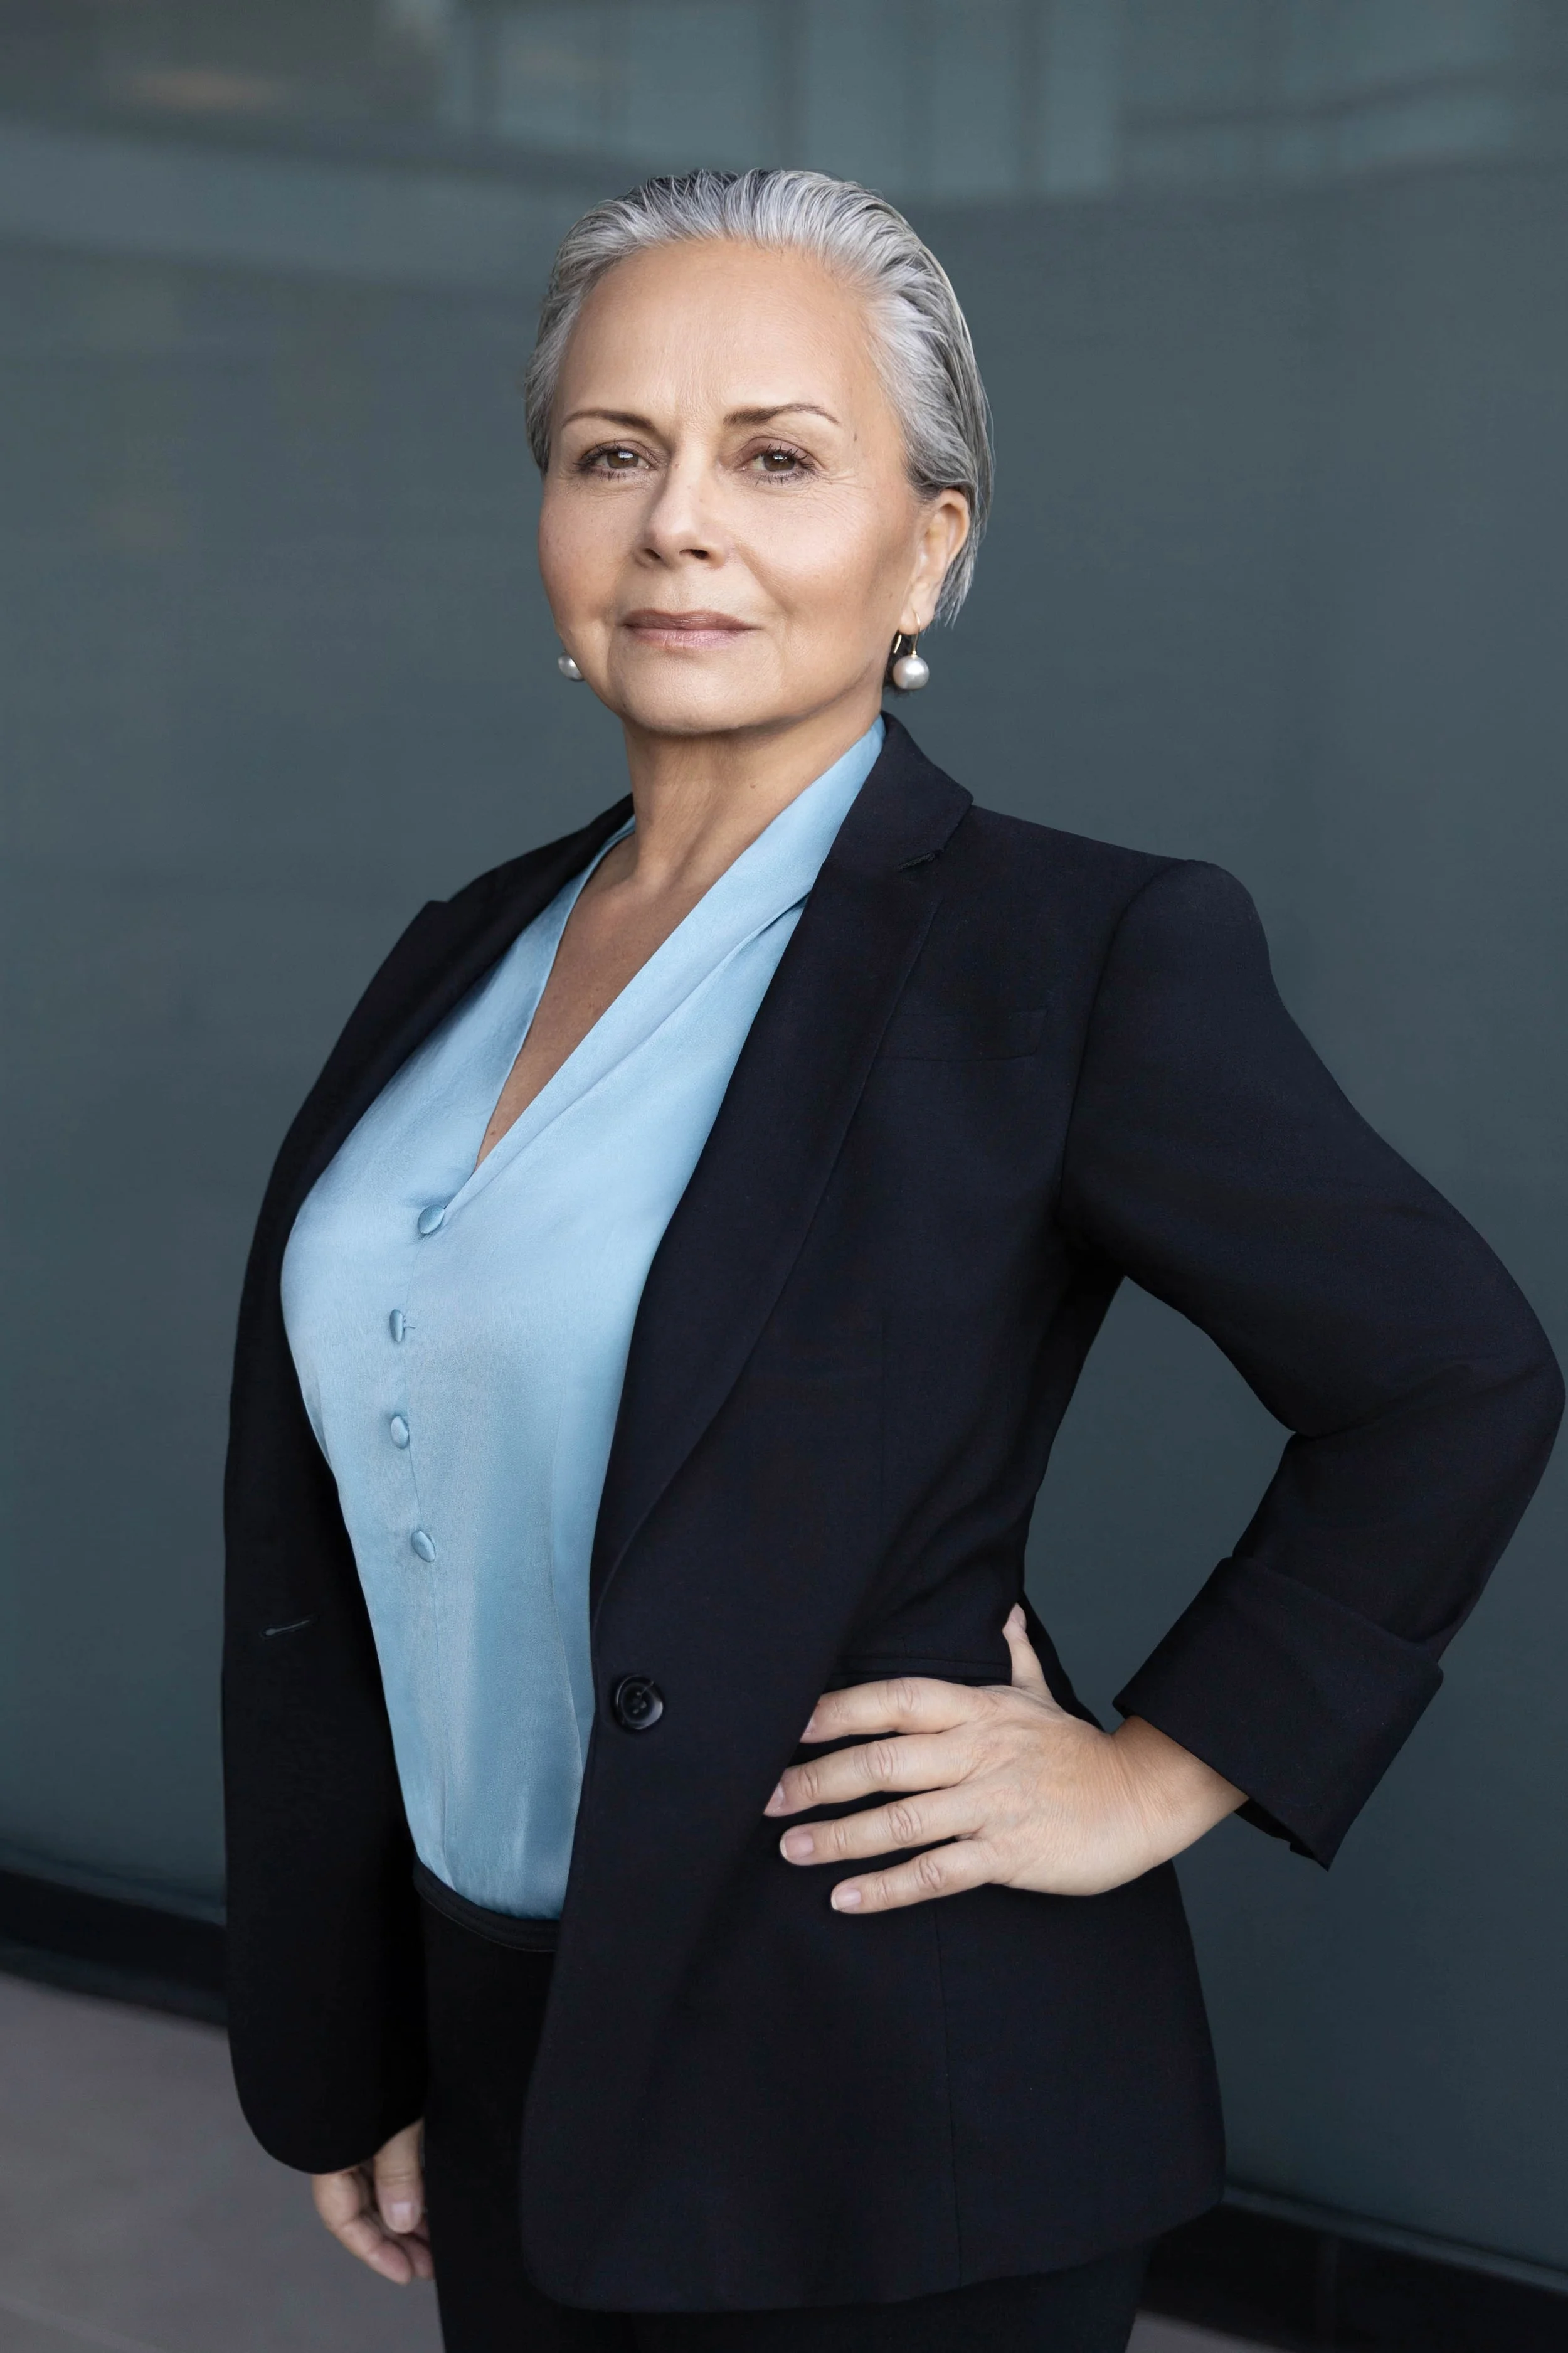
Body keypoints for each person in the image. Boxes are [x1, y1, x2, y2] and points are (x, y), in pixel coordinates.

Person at [221, 169, 1562, 2353]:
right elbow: (366, 1512)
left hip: (877, 2095)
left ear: (929, 539)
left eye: (775, 454)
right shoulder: (457, 951)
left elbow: (1448, 1377)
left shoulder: (1069, 953)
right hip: (506, 2037)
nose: (679, 521)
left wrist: (1159, 1767)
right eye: (610, 454)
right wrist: (356, 2013)